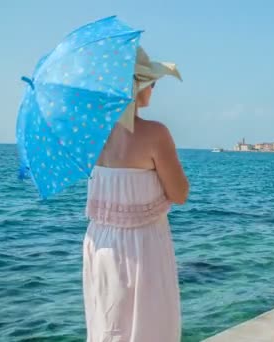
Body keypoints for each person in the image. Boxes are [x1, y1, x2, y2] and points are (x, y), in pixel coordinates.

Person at [82, 47, 188, 342]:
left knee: (108, 323)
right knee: (149, 325)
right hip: (141, 246)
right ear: (138, 86)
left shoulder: (93, 133)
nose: (154, 89)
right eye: (152, 83)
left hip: (99, 242)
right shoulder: (155, 133)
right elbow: (179, 193)